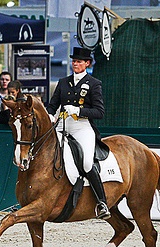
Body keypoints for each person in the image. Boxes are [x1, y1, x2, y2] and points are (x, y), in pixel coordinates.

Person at [46, 47, 110, 220]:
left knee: (88, 163)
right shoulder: (63, 82)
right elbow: (52, 105)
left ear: (87, 64)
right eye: (74, 61)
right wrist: (50, 115)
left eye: (79, 61)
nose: (75, 64)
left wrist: (79, 110)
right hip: (62, 125)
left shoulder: (94, 83)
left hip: (82, 127)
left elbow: (99, 112)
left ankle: (101, 202)